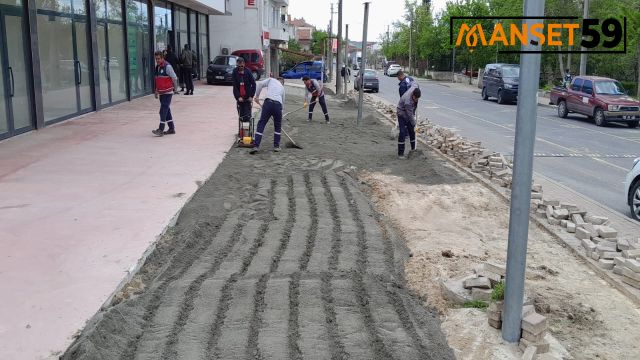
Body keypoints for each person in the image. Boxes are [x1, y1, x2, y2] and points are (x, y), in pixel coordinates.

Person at [251, 77, 286, 154]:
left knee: (262, 123)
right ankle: (276, 146)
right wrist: (280, 114)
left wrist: (257, 96)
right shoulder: (282, 88)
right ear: (282, 83)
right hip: (278, 105)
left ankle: (256, 146)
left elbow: (260, 84)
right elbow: (283, 105)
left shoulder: (271, 80)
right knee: (277, 126)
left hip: (268, 103)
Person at [152, 51, 178, 137]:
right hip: (161, 93)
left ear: (163, 58)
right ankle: (171, 128)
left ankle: (161, 129)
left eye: (159, 59)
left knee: (162, 110)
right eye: (156, 59)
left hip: (168, 92)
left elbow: (174, 77)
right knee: (167, 110)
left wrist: (175, 89)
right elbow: (157, 80)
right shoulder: (157, 67)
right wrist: (156, 91)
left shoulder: (168, 66)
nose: (157, 60)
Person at [396, 84, 421, 159]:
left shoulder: (414, 88)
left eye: (418, 98)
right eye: (415, 98)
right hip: (402, 114)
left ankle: (413, 150)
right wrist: (415, 125)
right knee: (403, 132)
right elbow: (409, 115)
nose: (416, 100)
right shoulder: (408, 101)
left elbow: (415, 83)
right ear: (413, 95)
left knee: (412, 132)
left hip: (408, 113)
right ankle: (400, 154)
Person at [232, 57, 256, 125]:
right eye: (239, 66)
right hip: (240, 98)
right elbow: (235, 86)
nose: (240, 67)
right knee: (241, 116)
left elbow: (254, 84)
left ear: (244, 64)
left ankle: (248, 132)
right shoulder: (234, 72)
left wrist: (251, 96)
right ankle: (241, 131)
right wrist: (238, 96)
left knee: (247, 116)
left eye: (242, 66)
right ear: (237, 65)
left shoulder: (248, 72)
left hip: (247, 97)